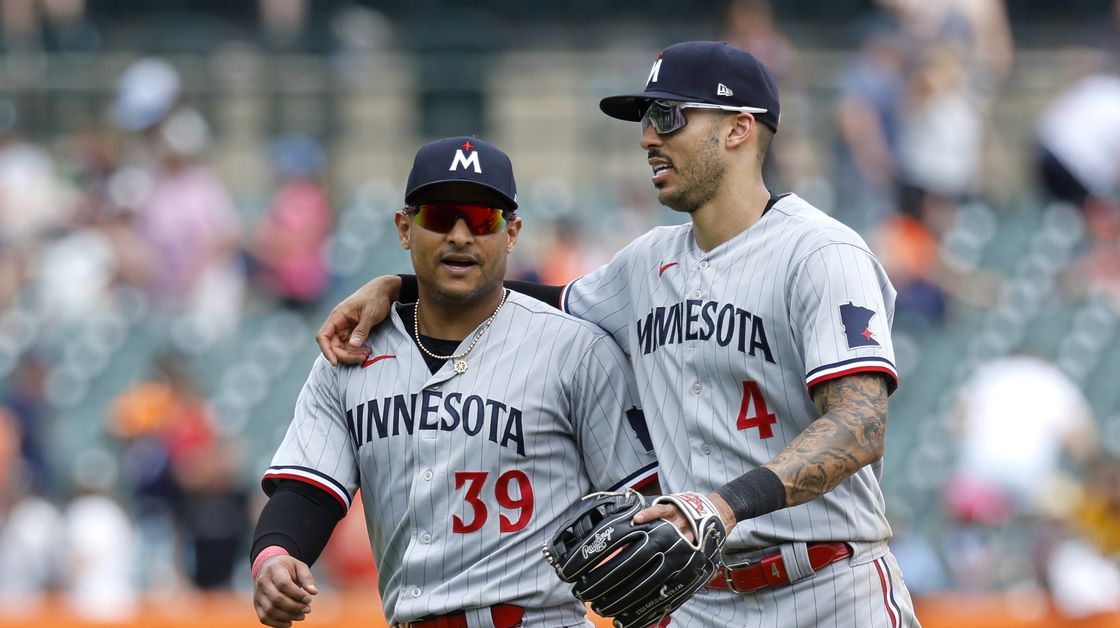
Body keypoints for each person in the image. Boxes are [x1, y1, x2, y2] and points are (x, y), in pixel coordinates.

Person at [318, 42, 920, 627]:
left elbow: (859, 428)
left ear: (738, 129)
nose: (647, 136)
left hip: (830, 588)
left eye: (668, 115)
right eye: (646, 119)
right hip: (699, 600)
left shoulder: (820, 252)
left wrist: (722, 504)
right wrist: (403, 287)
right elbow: (538, 300)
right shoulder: (646, 263)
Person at [251, 136, 657, 628]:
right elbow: (307, 490)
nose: (461, 235)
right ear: (405, 228)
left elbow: (645, 504)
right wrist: (274, 554)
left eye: (483, 218)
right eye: (441, 217)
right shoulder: (351, 351)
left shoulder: (576, 350)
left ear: (512, 233)